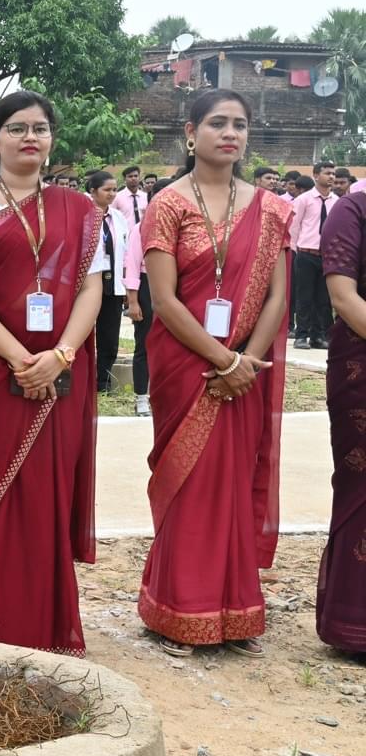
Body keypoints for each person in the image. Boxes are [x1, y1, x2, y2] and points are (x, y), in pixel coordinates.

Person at [0, 91, 106, 656]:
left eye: (40, 127)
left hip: (60, 369)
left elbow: (91, 289)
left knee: (46, 498)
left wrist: (58, 356)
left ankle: (46, 627)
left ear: (52, 138)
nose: (29, 137)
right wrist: (19, 359)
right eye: (16, 128)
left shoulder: (80, 210)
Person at [137, 90, 290, 658]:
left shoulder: (272, 209)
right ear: (190, 132)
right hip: (186, 365)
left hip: (249, 366)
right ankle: (177, 610)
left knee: (232, 481)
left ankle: (234, 611)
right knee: (192, 482)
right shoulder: (168, 204)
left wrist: (246, 359)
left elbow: (276, 295)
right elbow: (165, 300)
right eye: (218, 123)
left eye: (240, 125)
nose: (230, 134)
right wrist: (222, 360)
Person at [318, 189, 366, 651]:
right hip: (361, 364)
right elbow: (344, 297)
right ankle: (355, 625)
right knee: (362, 485)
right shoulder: (353, 211)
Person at [87, 172, 140, 393]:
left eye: (114, 190)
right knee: (84, 334)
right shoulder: (83, 214)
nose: (112, 194)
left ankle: (103, 383)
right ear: (93, 191)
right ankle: (84, 380)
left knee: (109, 337)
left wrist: (128, 286)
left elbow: (127, 253)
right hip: (88, 285)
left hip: (113, 285)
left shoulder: (118, 217)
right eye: (107, 190)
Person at [113, 165, 154, 416]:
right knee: (144, 344)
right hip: (147, 286)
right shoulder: (142, 228)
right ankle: (141, 397)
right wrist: (133, 301)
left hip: (175, 288)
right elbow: (132, 264)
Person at [289, 161, 338, 350]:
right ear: (316, 175)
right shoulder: (304, 199)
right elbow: (294, 226)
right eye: (327, 173)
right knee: (304, 297)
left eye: (333, 173)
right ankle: (301, 336)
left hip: (327, 255)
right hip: (306, 254)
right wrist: (296, 250)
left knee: (323, 299)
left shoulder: (337, 201)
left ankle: (318, 336)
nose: (331, 177)